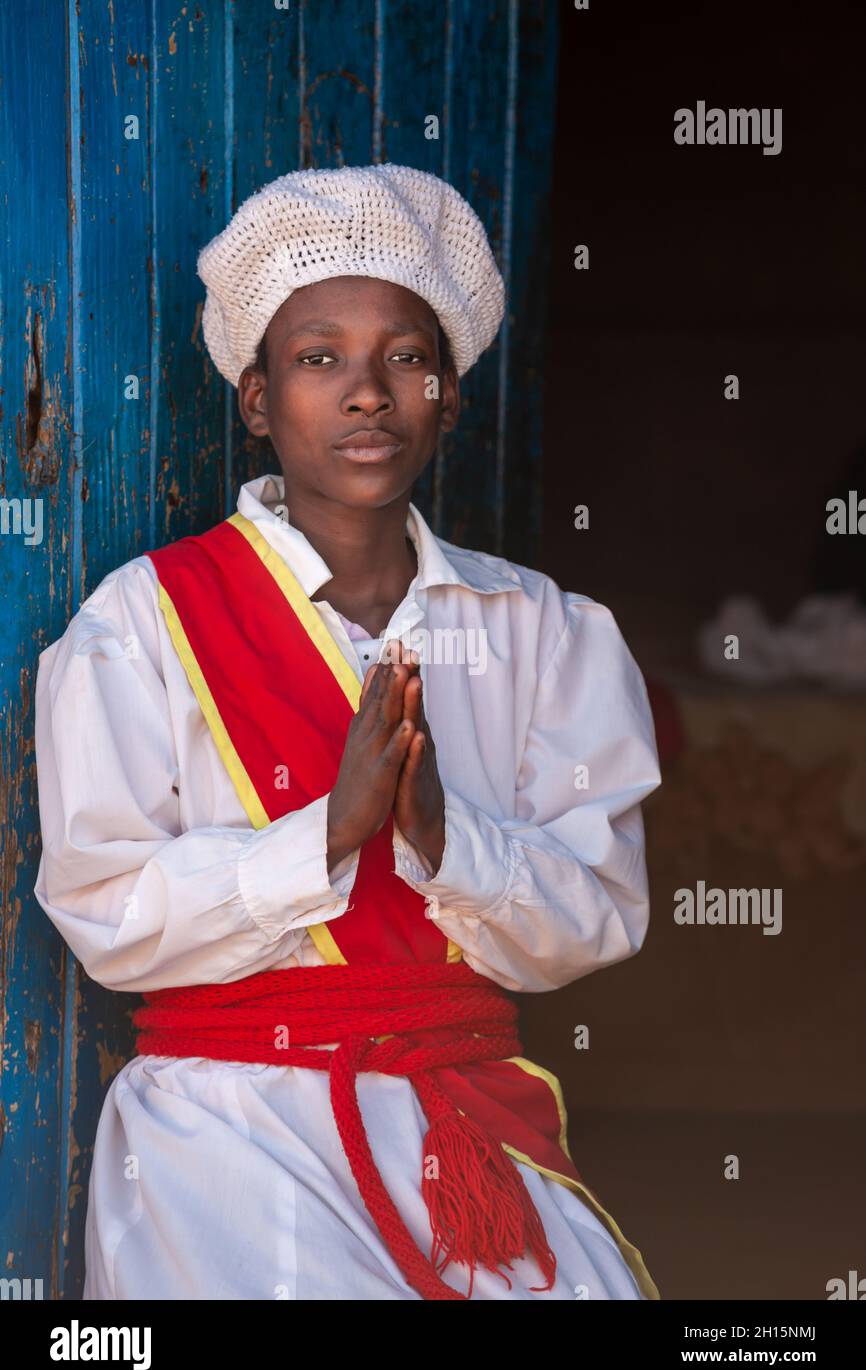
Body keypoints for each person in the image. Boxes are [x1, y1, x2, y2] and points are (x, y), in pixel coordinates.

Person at [34, 164, 663, 1301]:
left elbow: (596, 916)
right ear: (257, 398)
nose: (366, 391)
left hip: (467, 1126)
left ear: (451, 393)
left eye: (406, 356)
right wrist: (327, 833)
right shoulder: (140, 623)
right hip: (225, 1138)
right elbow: (106, 915)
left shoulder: (544, 632)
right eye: (318, 358)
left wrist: (443, 838)